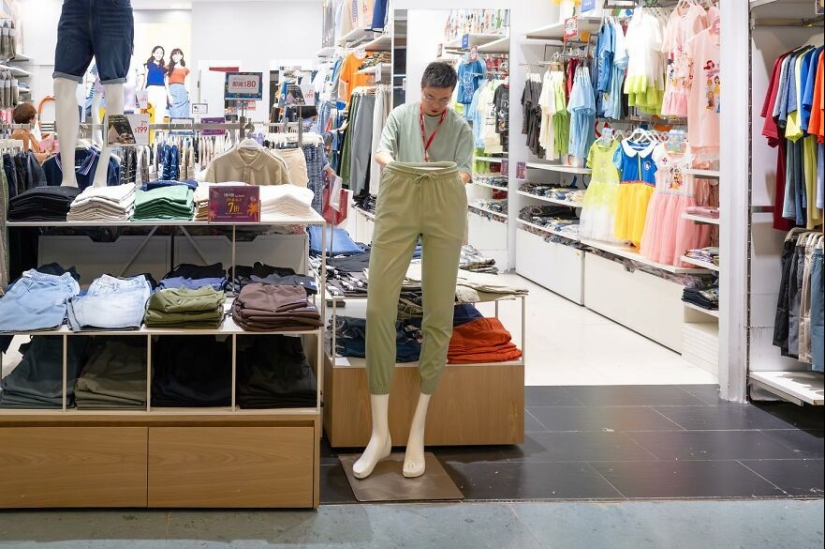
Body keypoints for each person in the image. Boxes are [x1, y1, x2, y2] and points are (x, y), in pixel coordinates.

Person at [353, 62, 473, 481]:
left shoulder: (460, 127)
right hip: (400, 196)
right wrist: (392, 162)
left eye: (444, 99)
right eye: (430, 98)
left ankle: (418, 427)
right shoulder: (401, 116)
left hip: (443, 202)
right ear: (420, 90)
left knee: (438, 314)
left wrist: (453, 176)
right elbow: (382, 151)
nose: (437, 105)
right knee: (377, 309)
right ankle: (380, 432)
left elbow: (464, 169)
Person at [143, 46, 169, 121]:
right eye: (157, 52)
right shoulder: (147, 65)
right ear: (153, 54)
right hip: (151, 89)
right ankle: (150, 132)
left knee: (160, 114)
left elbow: (165, 82)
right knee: (149, 113)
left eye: (161, 53)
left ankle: (159, 132)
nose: (159, 54)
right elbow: (145, 79)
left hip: (161, 91)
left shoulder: (164, 68)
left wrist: (168, 95)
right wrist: (142, 92)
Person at [166, 48, 191, 118]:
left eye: (177, 54)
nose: (175, 57)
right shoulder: (167, 67)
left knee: (184, 117)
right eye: (173, 55)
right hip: (172, 92)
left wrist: (189, 94)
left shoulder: (186, 69)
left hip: (183, 93)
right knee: (174, 116)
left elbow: (187, 83)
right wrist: (169, 96)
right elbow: (165, 82)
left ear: (181, 56)